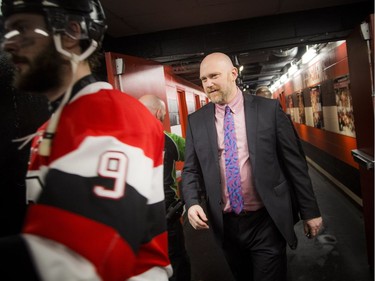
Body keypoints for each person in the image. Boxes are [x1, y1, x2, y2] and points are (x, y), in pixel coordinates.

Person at [0, 1, 171, 280]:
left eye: (22, 28)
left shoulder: (114, 117)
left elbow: (74, 261)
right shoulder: (48, 130)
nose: (8, 44)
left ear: (70, 33)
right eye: (7, 32)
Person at [181, 52, 323, 281]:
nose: (208, 84)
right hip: (226, 224)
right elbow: (191, 169)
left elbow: (294, 163)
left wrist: (310, 211)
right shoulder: (197, 121)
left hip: (266, 219)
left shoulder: (268, 110)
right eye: (204, 79)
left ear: (233, 74)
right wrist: (192, 202)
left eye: (214, 76)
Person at [139, 95, 191, 281]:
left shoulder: (123, 138)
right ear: (160, 112)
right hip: (166, 213)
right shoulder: (170, 140)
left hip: (136, 214)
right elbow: (196, 154)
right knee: (176, 259)